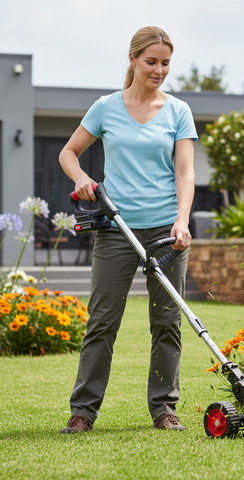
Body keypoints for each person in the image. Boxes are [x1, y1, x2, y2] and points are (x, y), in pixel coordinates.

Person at [58, 26, 197, 433]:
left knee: (167, 321)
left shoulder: (178, 111)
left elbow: (186, 172)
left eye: (165, 63)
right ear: (133, 59)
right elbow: (69, 152)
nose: (159, 70)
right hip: (117, 228)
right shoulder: (105, 107)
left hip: (166, 230)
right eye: (151, 61)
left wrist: (183, 219)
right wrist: (81, 178)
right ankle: (83, 411)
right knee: (102, 321)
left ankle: (164, 409)